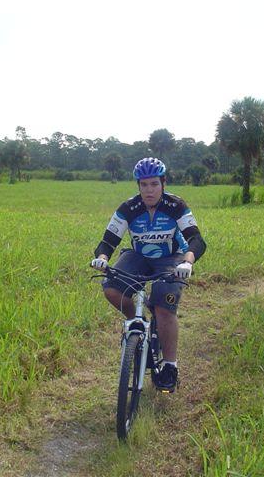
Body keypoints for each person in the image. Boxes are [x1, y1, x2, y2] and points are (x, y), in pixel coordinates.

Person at [91, 157, 206, 392]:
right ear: (138, 186)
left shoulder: (175, 206)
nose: (149, 190)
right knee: (111, 288)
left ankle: (170, 366)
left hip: (170, 259)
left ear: (163, 183)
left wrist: (188, 262)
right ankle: (139, 322)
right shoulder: (128, 208)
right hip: (138, 257)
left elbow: (196, 239)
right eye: (144, 185)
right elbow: (107, 242)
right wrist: (102, 259)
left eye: (154, 184)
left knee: (164, 306)